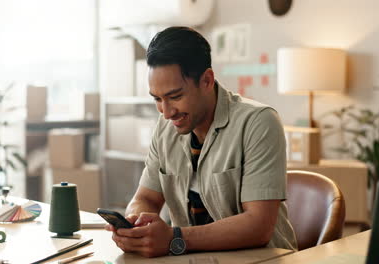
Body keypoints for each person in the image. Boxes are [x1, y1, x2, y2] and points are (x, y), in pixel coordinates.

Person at [105, 26, 297, 258]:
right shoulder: (165, 126)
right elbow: (145, 198)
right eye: (157, 99)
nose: (166, 112)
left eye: (175, 97)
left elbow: (258, 226)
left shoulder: (259, 122)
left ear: (207, 80)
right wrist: (136, 224)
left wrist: (174, 238)